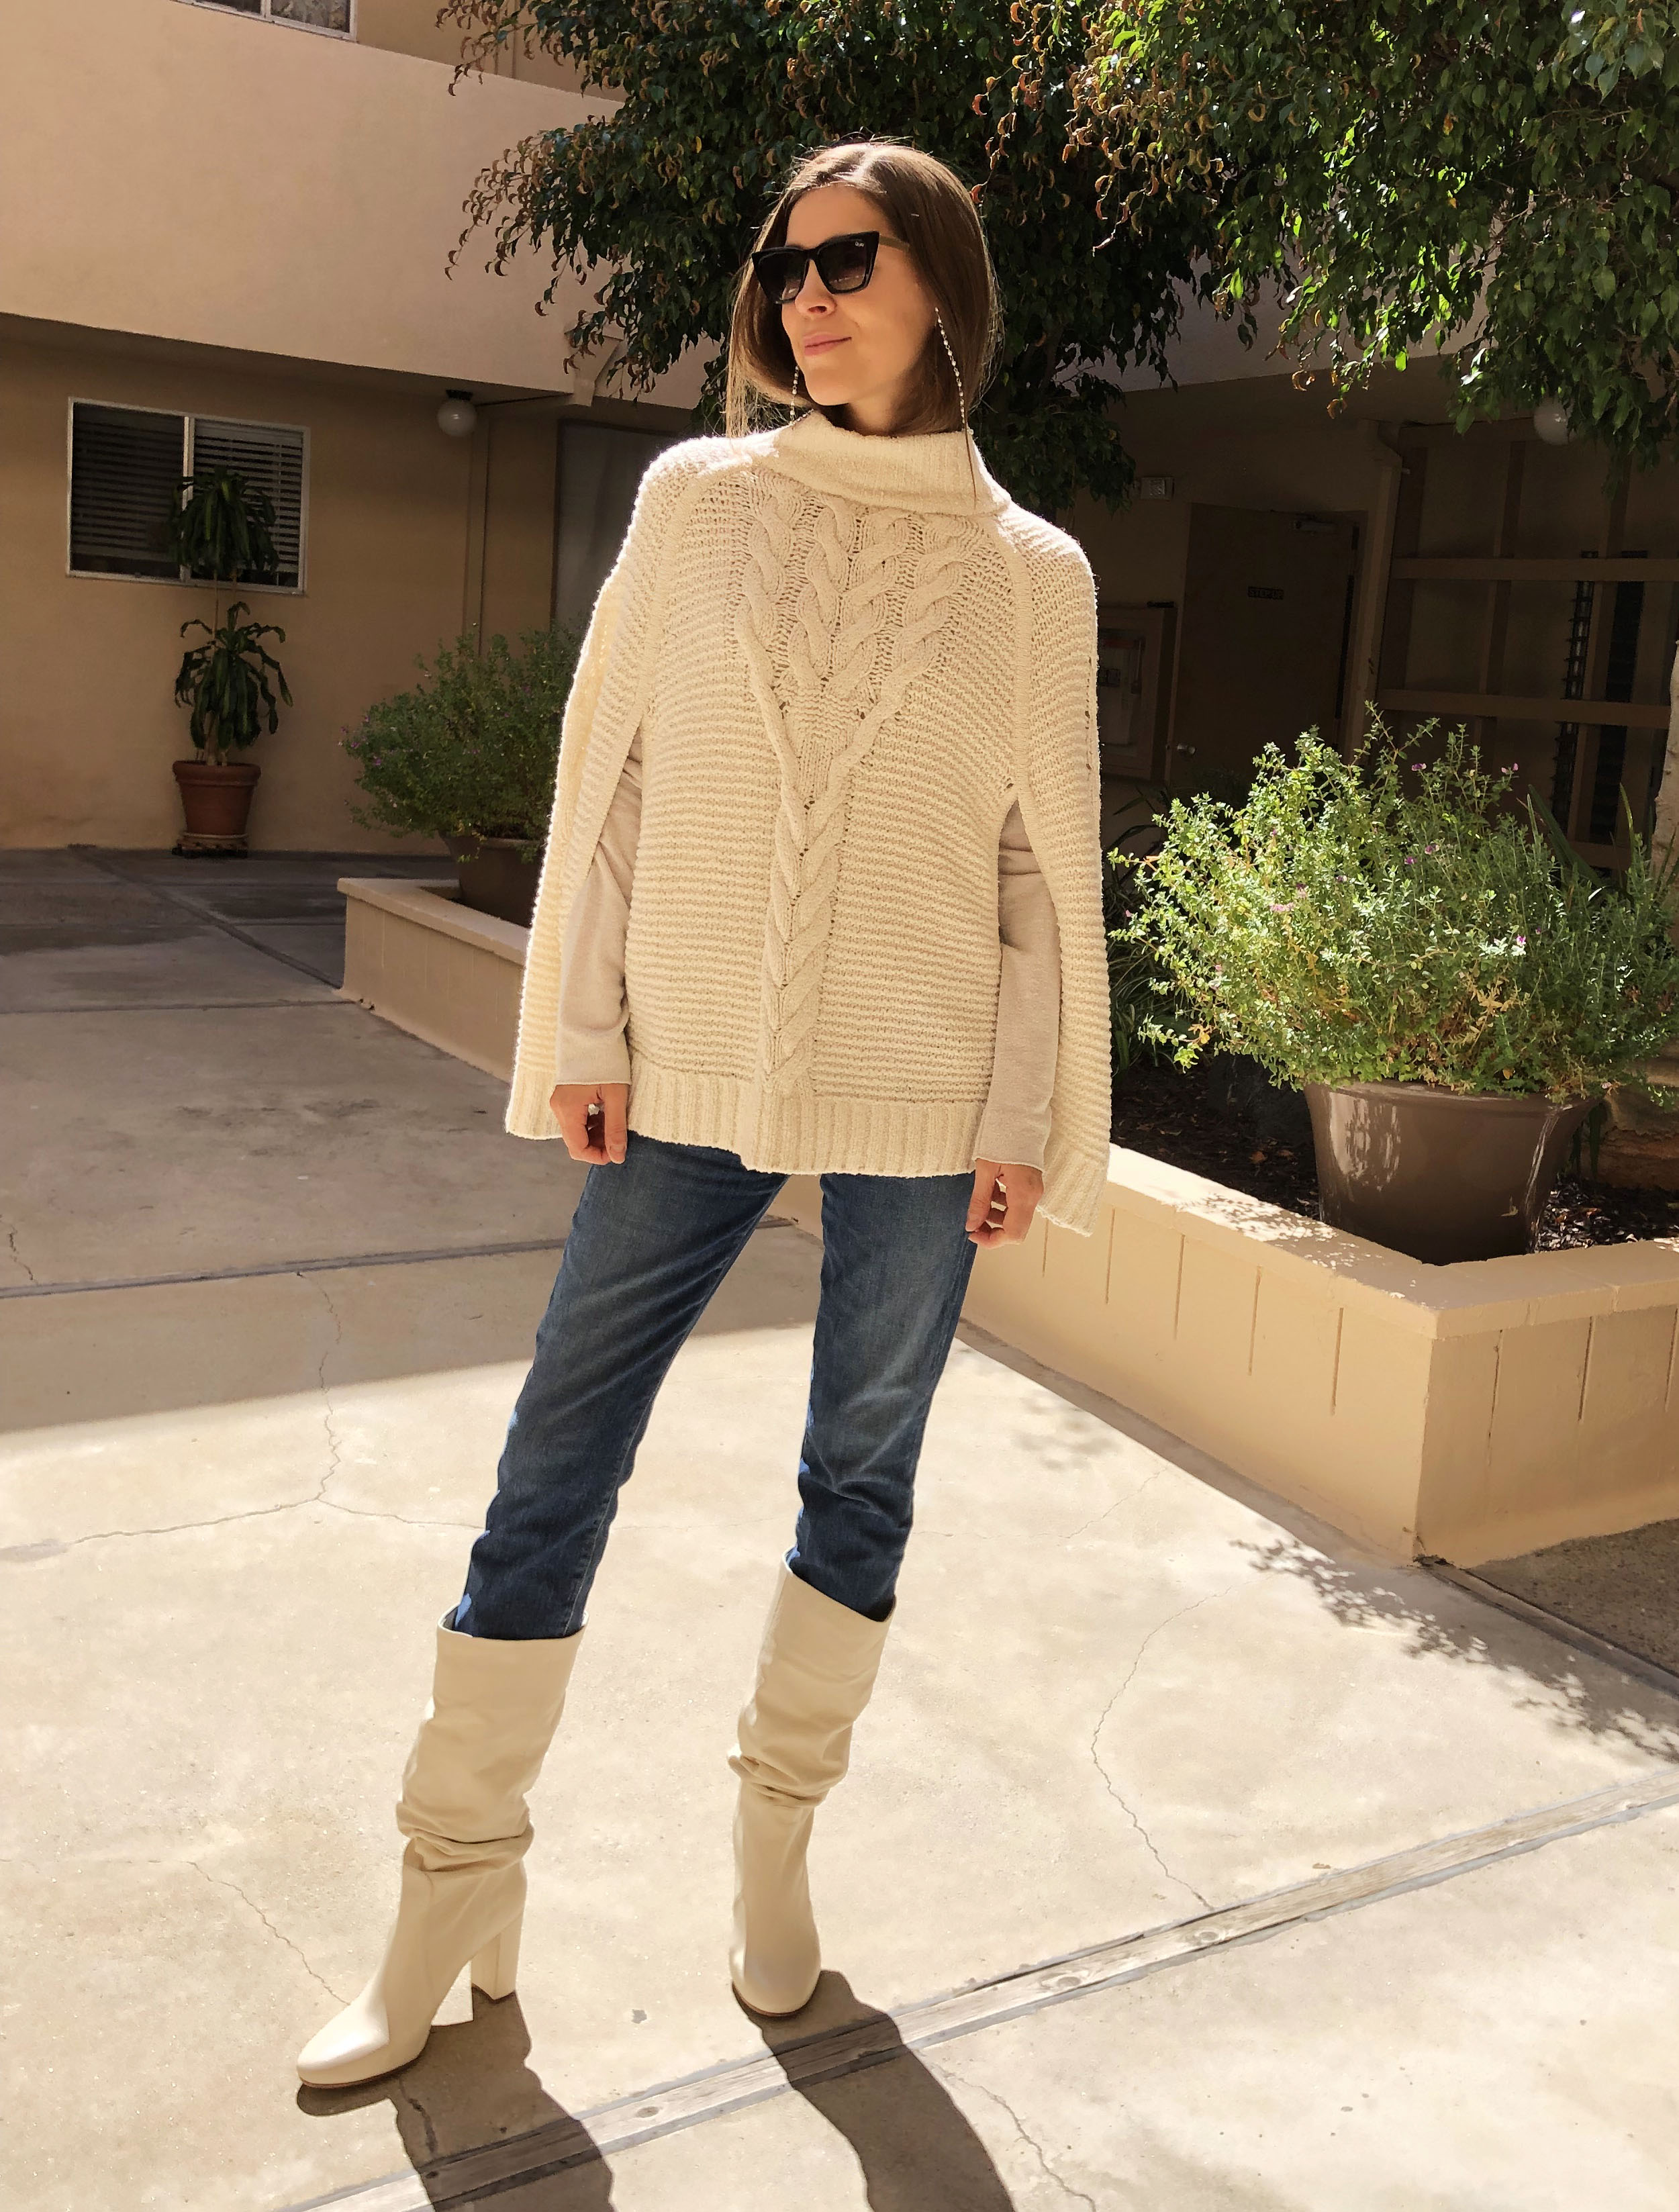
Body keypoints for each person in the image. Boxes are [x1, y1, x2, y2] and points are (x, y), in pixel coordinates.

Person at [297, 136, 1110, 2090]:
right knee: (556, 1456)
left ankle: (775, 1855)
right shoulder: (698, 503)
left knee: (862, 1472)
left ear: (942, 284)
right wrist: (584, 1026)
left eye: (850, 258)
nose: (806, 295)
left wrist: (1023, 1108)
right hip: (685, 1075)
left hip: (927, 1091)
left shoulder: (1035, 576)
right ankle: (450, 1886)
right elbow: (618, 781)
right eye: (785, 267)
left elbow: (1038, 870)